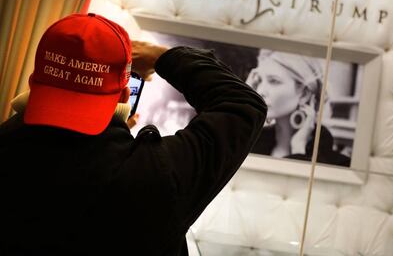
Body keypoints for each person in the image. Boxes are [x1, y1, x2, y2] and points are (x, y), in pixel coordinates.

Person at [0, 13, 267, 255]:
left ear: (34, 81)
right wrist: (161, 57)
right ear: (124, 96)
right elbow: (242, 105)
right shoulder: (157, 174)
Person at [247, 48, 350, 167]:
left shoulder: (340, 165)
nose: (260, 90)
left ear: (304, 94)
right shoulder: (249, 144)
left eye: (274, 81)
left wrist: (299, 151)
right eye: (259, 81)